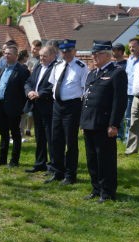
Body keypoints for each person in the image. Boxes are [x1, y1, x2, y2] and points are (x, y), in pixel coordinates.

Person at [81, 41, 127, 203]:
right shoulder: (92, 74)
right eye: (93, 53)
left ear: (107, 55)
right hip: (89, 122)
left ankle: (107, 191)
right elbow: (87, 97)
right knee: (92, 158)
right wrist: (83, 121)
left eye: (97, 54)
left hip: (104, 123)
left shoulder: (117, 73)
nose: (94, 56)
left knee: (105, 159)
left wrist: (114, 124)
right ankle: (96, 188)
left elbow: (119, 101)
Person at [47, 39, 88, 185]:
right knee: (56, 139)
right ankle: (58, 171)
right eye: (63, 51)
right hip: (57, 106)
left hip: (72, 107)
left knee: (70, 142)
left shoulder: (81, 67)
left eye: (69, 51)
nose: (66, 54)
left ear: (74, 51)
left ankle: (71, 175)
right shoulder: (57, 65)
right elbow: (53, 84)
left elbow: (85, 90)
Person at [0, 46, 30, 168]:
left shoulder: (22, 71)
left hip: (14, 108)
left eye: (9, 54)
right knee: (3, 133)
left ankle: (14, 161)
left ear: (16, 56)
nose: (6, 55)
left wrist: (22, 108)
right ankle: (2, 159)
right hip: (0, 106)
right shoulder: (1, 70)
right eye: (5, 53)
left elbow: (25, 90)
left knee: (15, 134)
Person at [24, 45, 57, 173]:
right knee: (39, 136)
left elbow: (54, 86)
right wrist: (29, 91)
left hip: (48, 106)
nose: (41, 58)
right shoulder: (38, 66)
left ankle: (53, 165)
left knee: (50, 137)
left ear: (53, 56)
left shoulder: (55, 67)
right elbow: (28, 82)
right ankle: (40, 163)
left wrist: (40, 93)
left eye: (45, 56)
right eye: (41, 55)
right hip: (36, 105)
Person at [122, 38, 139, 142]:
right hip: (129, 93)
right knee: (128, 117)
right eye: (130, 47)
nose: (131, 49)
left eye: (134, 46)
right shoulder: (129, 60)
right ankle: (128, 138)